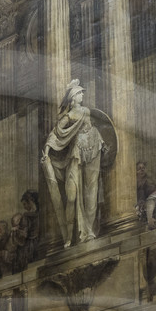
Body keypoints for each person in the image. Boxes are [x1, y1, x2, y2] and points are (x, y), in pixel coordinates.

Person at [41, 77, 105, 247]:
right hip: (76, 153)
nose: (82, 95)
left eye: (81, 93)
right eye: (79, 93)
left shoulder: (86, 111)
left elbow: (92, 127)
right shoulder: (70, 115)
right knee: (71, 196)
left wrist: (102, 144)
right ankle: (69, 235)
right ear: (73, 97)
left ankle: (89, 230)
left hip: (92, 146)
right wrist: (47, 150)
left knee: (91, 190)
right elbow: (55, 133)